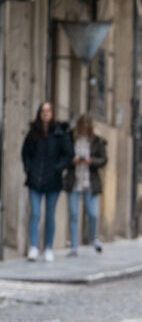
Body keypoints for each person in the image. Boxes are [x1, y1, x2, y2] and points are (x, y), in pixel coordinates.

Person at [21, 101, 73, 262]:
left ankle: (48, 247)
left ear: (52, 113)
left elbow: (68, 154)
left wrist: (58, 168)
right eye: (43, 111)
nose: (45, 113)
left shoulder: (59, 133)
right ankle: (34, 247)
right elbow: (25, 153)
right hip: (35, 179)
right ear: (39, 113)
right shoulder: (33, 133)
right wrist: (29, 169)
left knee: (50, 215)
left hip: (53, 181)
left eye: (48, 111)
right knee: (35, 213)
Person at [62, 113, 108, 256]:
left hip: (90, 183)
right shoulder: (70, 138)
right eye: (83, 127)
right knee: (74, 214)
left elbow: (104, 160)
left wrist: (90, 161)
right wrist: (72, 160)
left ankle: (94, 238)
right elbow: (63, 155)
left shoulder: (97, 141)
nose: (84, 130)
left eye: (87, 128)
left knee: (93, 214)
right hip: (74, 182)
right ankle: (74, 246)